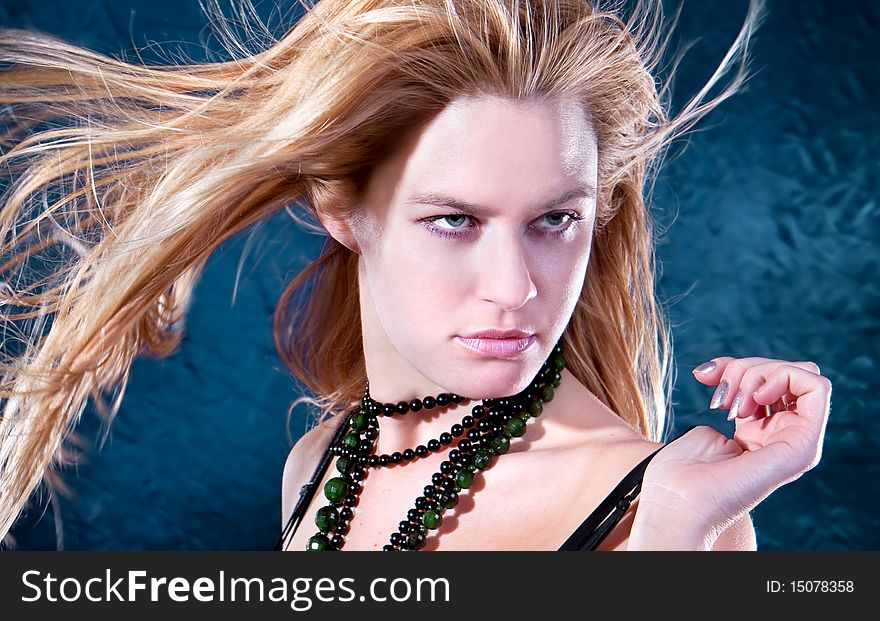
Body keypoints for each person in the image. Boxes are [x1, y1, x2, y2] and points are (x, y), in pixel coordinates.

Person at [0, 0, 830, 551]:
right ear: (342, 207)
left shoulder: (673, 512)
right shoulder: (319, 466)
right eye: (455, 220)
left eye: (554, 218)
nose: (513, 288)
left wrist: (672, 540)